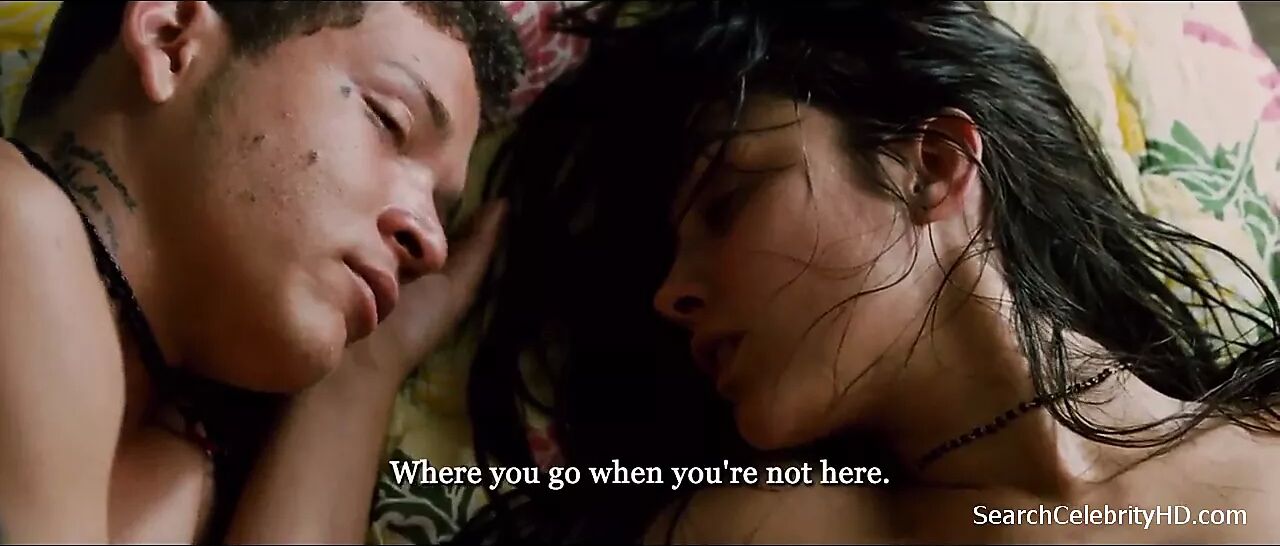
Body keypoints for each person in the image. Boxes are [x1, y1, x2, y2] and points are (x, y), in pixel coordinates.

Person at [459, 1, 1280, 543]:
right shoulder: (756, 531)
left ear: (934, 165)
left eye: (726, 204)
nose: (671, 294)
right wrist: (386, 356)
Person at [0, 1, 522, 543]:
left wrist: (364, 366)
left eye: (442, 209)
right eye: (389, 118)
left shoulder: (173, 470)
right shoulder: (16, 219)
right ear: (171, 40)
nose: (432, 244)